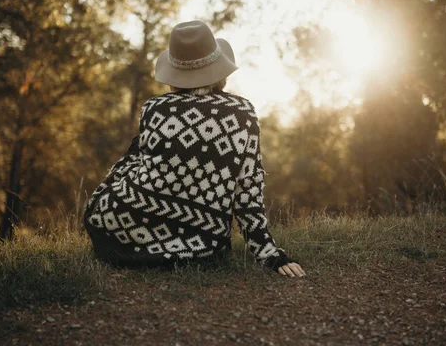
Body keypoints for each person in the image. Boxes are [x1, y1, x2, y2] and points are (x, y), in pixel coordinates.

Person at [84, 20, 306, 278]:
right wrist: (268, 254)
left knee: (133, 155)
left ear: (174, 73)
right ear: (218, 69)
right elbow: (247, 193)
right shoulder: (243, 114)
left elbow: (135, 169)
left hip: (124, 230)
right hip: (205, 246)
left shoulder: (154, 109)